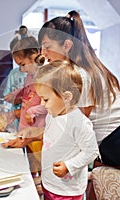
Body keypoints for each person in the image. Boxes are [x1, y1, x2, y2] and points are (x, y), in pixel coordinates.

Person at [2, 10, 120, 191]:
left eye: (47, 46)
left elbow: (72, 126)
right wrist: (31, 134)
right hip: (105, 141)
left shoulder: (81, 75)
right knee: (102, 189)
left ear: (67, 45)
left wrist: (33, 134)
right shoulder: (67, 72)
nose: (43, 53)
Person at [33, 60, 99, 199]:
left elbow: (92, 151)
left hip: (67, 191)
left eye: (45, 99)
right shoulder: (52, 115)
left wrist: (69, 166)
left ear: (67, 97)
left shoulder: (79, 123)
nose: (42, 104)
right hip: (50, 183)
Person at [4, 35, 47, 194]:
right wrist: (16, 94)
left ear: (35, 56)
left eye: (22, 65)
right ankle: (32, 187)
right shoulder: (30, 75)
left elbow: (48, 102)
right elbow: (28, 90)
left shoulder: (45, 75)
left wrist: (33, 111)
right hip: (25, 127)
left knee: (41, 163)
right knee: (31, 164)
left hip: (38, 130)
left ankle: (44, 188)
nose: (21, 70)